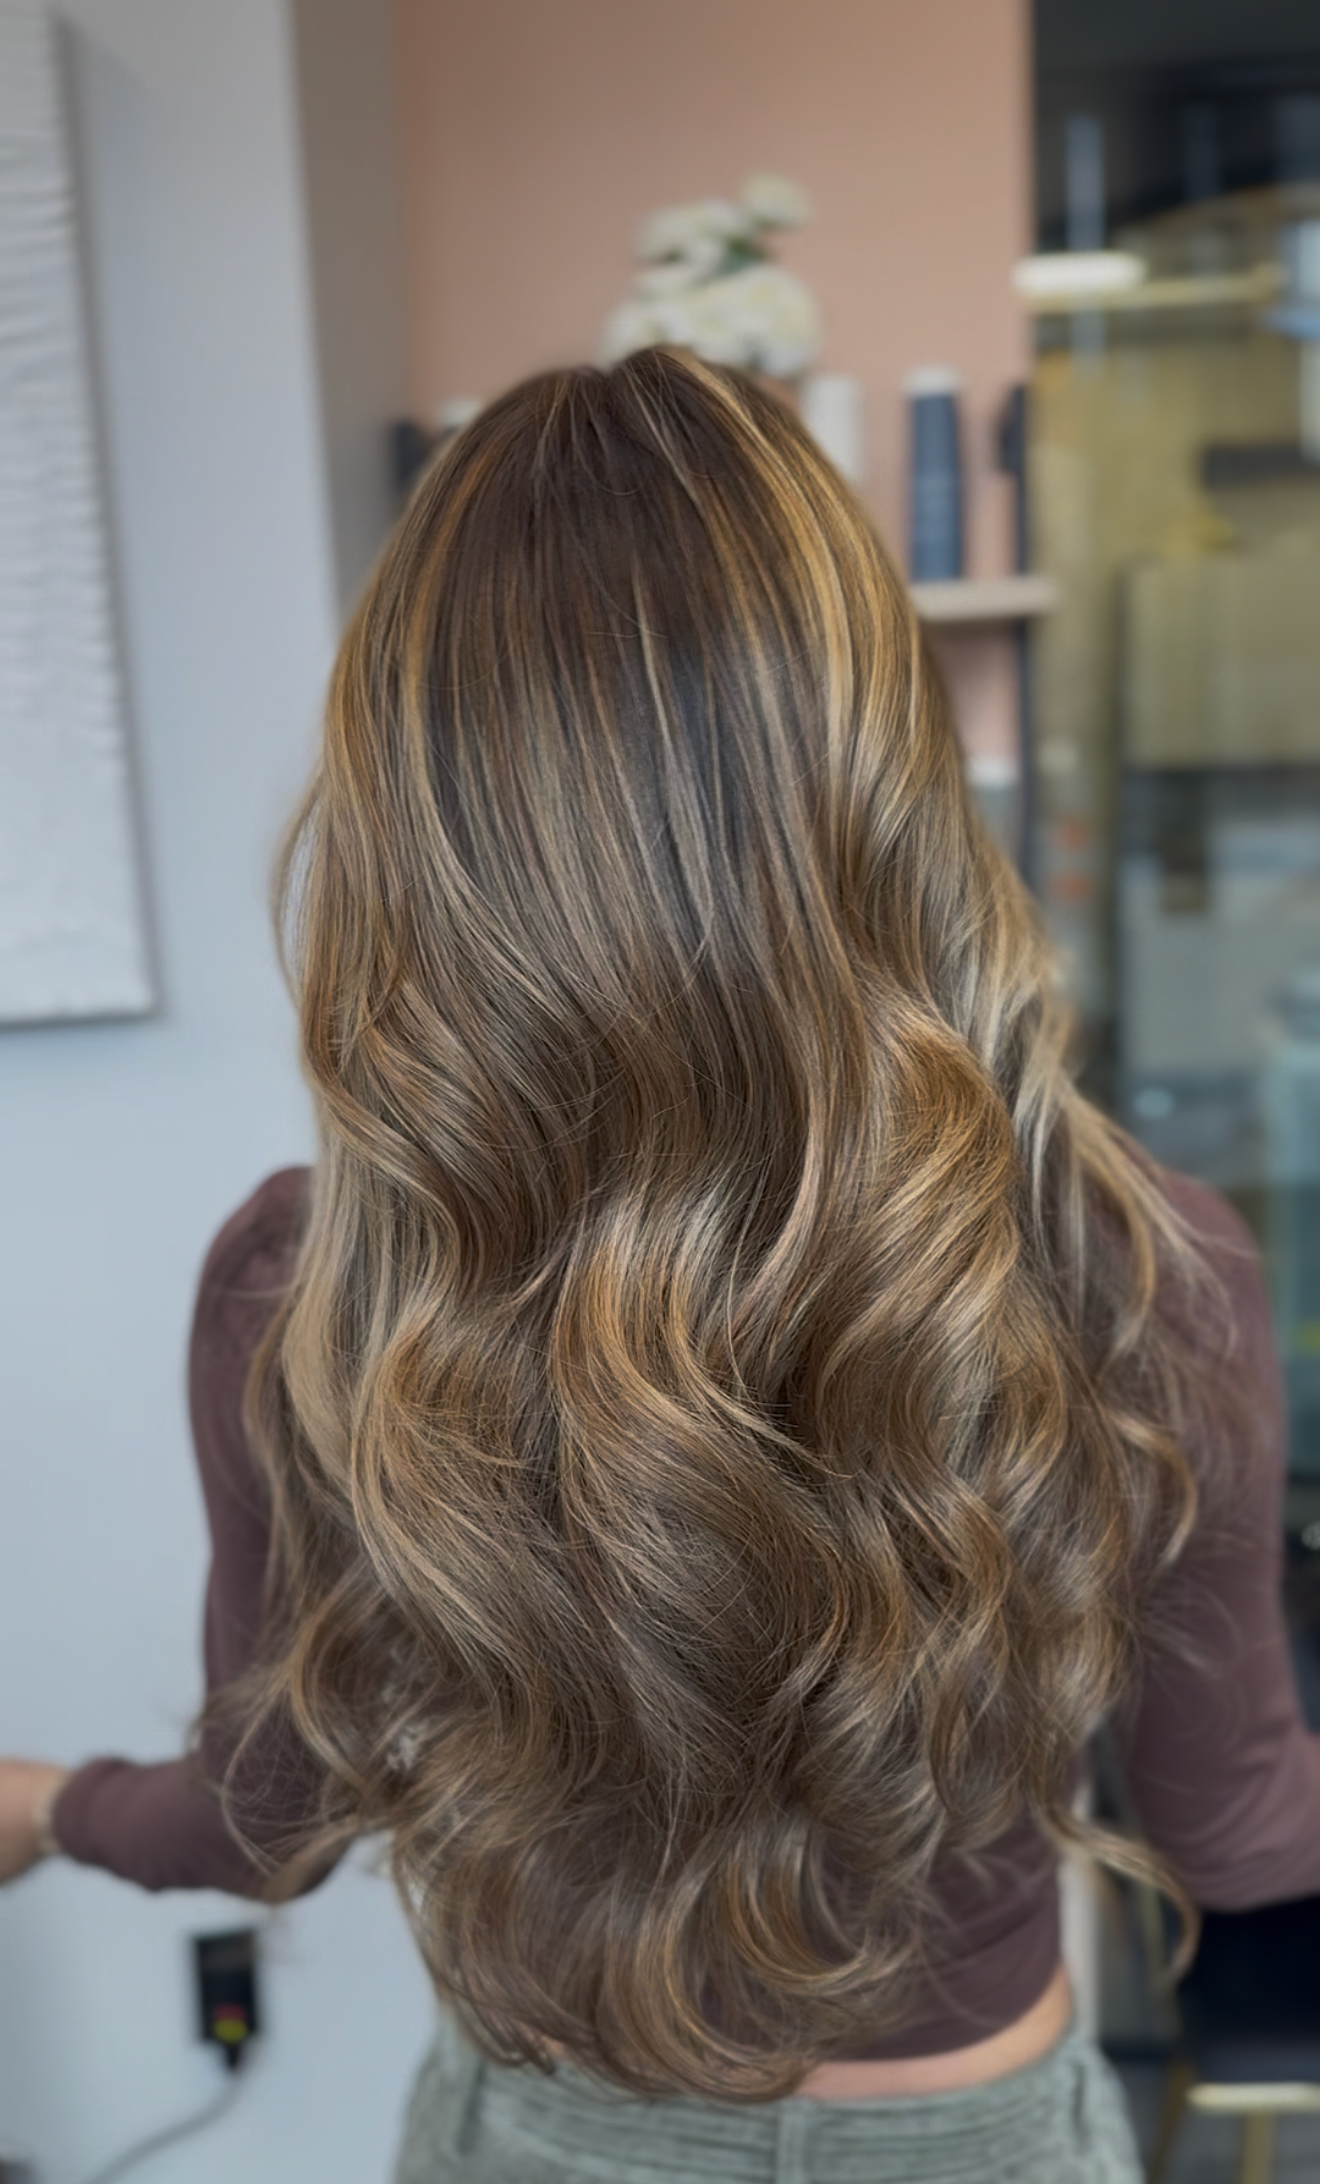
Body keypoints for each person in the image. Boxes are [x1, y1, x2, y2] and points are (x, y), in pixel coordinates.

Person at [3, 349, 1319, 2184]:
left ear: (424, 835)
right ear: (884, 782)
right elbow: (1233, 1820)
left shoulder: (309, 1291)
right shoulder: (1139, 1263)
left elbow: (265, 1812)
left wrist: (51, 1810)